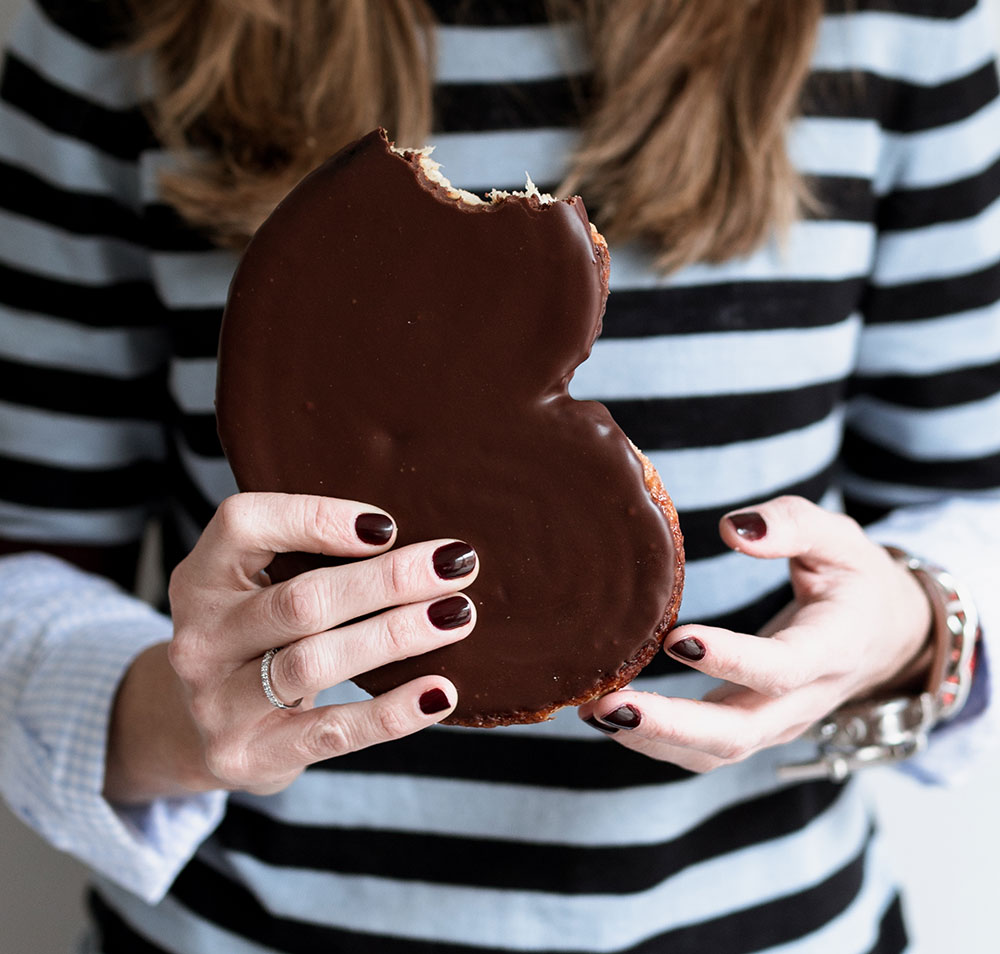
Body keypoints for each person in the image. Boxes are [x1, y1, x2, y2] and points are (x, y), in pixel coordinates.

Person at [1, 1, 998, 952]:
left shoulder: (896, 20)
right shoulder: (125, 21)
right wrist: (176, 718)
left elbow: (971, 501)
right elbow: (25, 552)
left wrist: (914, 626)